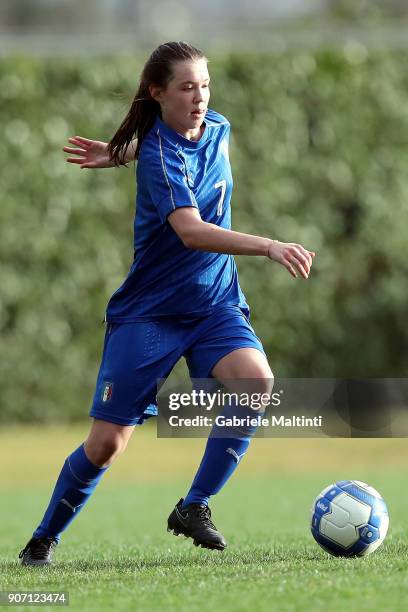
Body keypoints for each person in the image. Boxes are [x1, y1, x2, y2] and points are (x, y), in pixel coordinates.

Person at [19, 41, 315, 566]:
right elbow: (192, 232)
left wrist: (118, 152)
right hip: (151, 313)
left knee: (256, 383)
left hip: (214, 304)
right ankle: (43, 538)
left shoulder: (215, 126)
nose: (199, 97)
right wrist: (270, 245)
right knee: (106, 445)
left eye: (204, 85)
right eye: (185, 87)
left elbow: (177, 145)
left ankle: (194, 506)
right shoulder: (157, 154)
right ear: (157, 93)